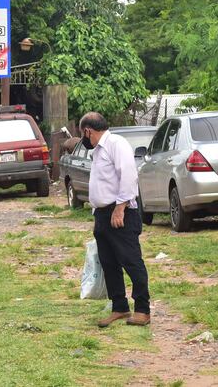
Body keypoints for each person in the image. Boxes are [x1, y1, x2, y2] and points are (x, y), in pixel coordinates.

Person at [80, 111, 150, 327]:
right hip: (102, 214)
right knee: (109, 262)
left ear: (87, 131)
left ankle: (142, 309)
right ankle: (119, 306)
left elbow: (129, 176)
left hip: (120, 212)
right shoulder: (99, 151)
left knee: (131, 260)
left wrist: (120, 207)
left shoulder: (116, 144)